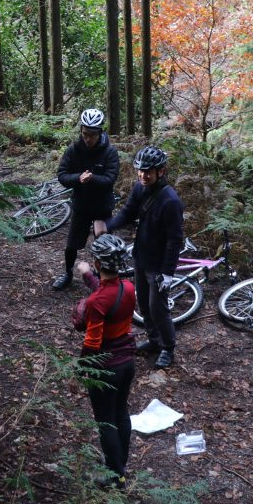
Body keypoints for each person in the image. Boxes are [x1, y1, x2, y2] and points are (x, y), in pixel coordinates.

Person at [94, 146, 184, 369]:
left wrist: (168, 273)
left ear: (161, 172)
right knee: (143, 303)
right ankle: (154, 340)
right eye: (140, 171)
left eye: (148, 172)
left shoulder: (170, 201)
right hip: (141, 256)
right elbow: (128, 211)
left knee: (158, 308)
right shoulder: (140, 188)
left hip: (158, 265)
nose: (143, 175)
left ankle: (168, 347)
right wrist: (107, 226)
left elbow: (174, 240)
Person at [73, 234, 136, 488]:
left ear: (99, 263)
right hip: (127, 363)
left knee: (105, 421)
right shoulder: (128, 288)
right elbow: (108, 294)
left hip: (106, 368)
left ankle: (115, 476)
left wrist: (80, 370)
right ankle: (120, 465)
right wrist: (88, 275)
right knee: (121, 412)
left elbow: (92, 342)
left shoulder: (96, 302)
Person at [51, 108, 119, 290]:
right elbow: (62, 175)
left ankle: (103, 279)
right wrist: (78, 178)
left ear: (100, 132)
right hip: (81, 206)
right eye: (85, 134)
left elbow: (110, 179)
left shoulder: (110, 152)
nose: (88, 138)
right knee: (72, 245)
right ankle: (68, 273)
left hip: (102, 207)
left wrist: (92, 178)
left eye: (92, 135)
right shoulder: (73, 150)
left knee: (104, 244)